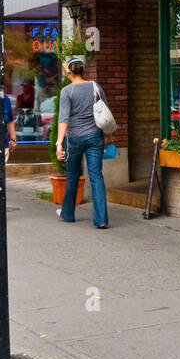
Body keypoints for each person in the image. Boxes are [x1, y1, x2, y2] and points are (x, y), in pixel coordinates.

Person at [55, 56, 109, 229]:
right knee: (96, 176)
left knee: (72, 176)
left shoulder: (67, 91)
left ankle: (68, 214)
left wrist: (58, 143)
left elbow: (63, 119)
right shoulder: (95, 87)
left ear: (68, 71)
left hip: (74, 138)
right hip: (95, 136)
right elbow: (105, 112)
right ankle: (101, 219)